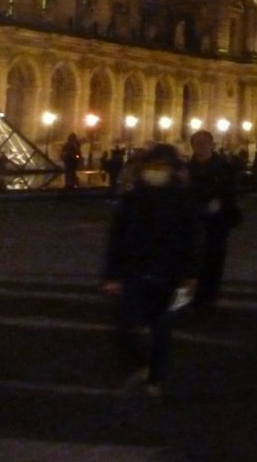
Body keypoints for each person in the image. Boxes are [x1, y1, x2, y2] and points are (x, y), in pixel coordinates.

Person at [101, 144, 199, 399]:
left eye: (161, 167)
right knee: (123, 323)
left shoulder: (181, 200)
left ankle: (155, 377)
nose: (155, 171)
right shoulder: (132, 198)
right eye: (152, 166)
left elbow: (191, 240)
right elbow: (117, 238)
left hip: (168, 272)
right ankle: (142, 364)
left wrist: (190, 274)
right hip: (136, 269)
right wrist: (111, 275)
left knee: (161, 327)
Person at [186, 129, 242, 312]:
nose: (200, 147)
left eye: (203, 143)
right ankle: (197, 295)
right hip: (194, 219)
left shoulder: (224, 167)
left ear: (211, 145)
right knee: (194, 259)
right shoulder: (187, 169)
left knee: (214, 259)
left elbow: (232, 193)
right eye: (197, 144)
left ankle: (209, 295)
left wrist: (221, 204)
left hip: (217, 220)